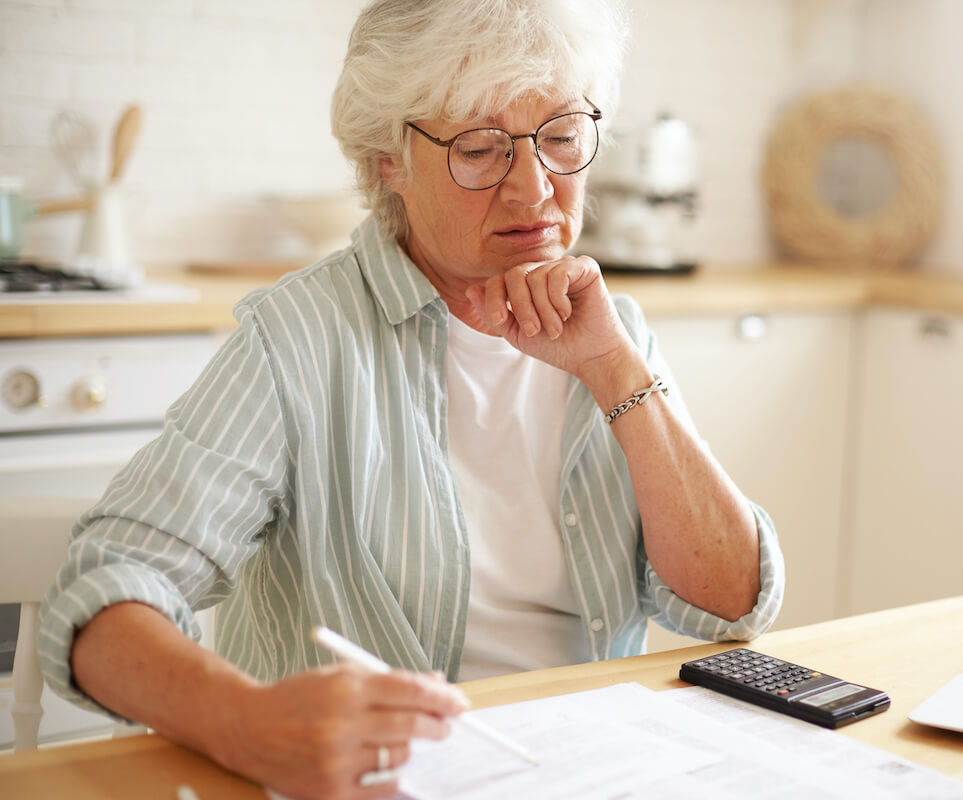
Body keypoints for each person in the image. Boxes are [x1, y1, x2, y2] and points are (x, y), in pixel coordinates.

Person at [38, 0, 785, 797]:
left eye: (562, 137)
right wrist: (246, 724)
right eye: (480, 149)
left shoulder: (613, 326)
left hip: (583, 770)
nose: (535, 188)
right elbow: (104, 592)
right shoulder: (301, 337)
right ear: (389, 157)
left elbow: (730, 606)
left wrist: (616, 371)